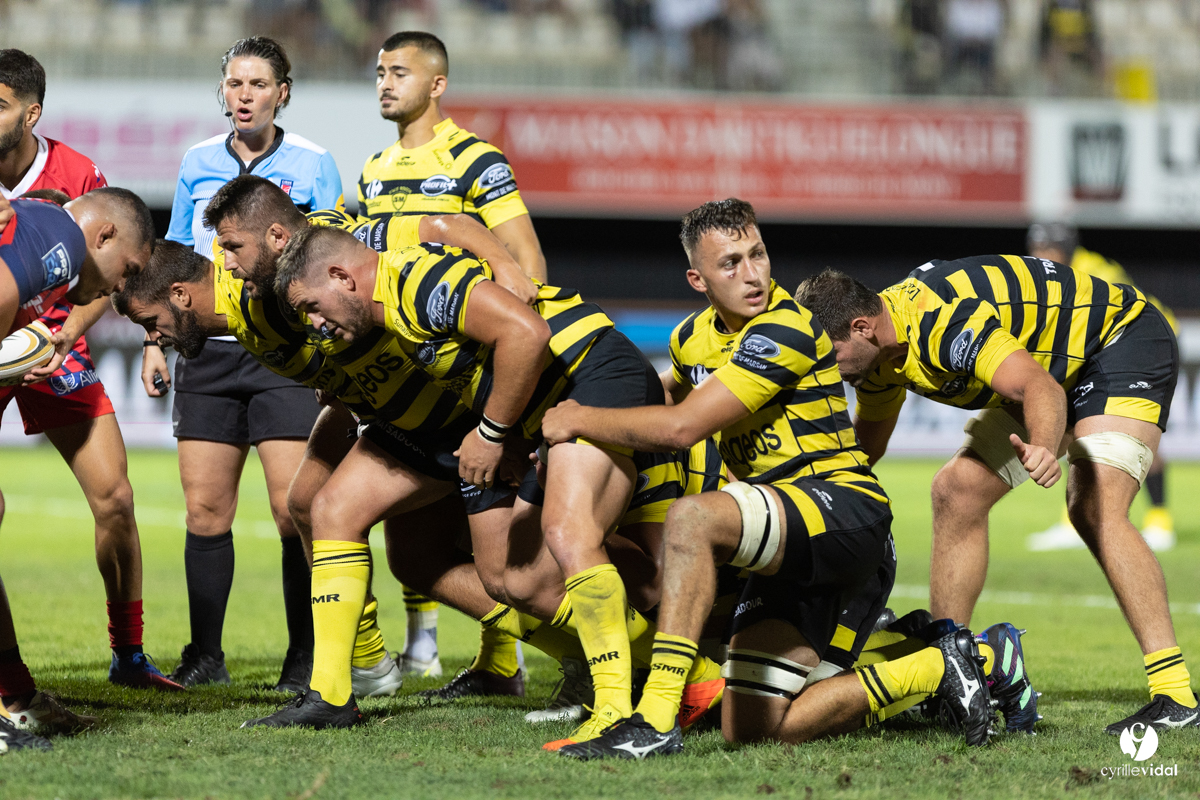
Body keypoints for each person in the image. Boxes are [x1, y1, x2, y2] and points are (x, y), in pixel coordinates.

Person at [538, 199, 994, 758]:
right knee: (752, 729)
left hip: (842, 510)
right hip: (783, 527)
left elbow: (682, 427)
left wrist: (577, 418)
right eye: (730, 263)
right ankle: (937, 663)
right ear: (697, 279)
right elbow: (661, 393)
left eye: (757, 254)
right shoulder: (690, 339)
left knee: (693, 519)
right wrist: (573, 444)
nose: (752, 273)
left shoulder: (789, 327)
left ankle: (653, 720)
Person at [272, 226, 725, 748]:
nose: (314, 323)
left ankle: (617, 709)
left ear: (341, 276)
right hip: (541, 411)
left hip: (594, 375)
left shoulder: (414, 283)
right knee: (518, 579)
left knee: (568, 533)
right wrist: (504, 429)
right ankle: (693, 675)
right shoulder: (390, 308)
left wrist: (491, 434)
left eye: (311, 306)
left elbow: (527, 333)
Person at [796, 256, 1196, 735]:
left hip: (1118, 341)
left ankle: (1175, 696)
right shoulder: (879, 358)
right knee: (956, 490)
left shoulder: (940, 323)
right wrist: (813, 499)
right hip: (1051, 364)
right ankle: (948, 668)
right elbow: (867, 447)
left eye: (830, 356)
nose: (826, 369)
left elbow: (1038, 388)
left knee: (1094, 507)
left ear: (862, 327)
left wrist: (1045, 448)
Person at [139, 36, 398, 693]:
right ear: (222, 93)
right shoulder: (198, 160)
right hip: (213, 353)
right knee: (204, 512)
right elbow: (176, 257)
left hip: (285, 358)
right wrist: (153, 342)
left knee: (293, 512)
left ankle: (305, 659)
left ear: (283, 92)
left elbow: (332, 250)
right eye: (234, 84)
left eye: (257, 84)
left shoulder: (312, 162)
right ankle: (204, 656)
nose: (244, 95)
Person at [357, 30, 547, 694]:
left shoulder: (475, 160)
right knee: (418, 551)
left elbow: (528, 262)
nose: (384, 81)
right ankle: (499, 663)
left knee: (484, 544)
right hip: (405, 379)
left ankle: (571, 652)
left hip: (471, 376)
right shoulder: (375, 170)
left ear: (437, 85)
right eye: (379, 71)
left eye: (399, 72)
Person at [0, 50, 181, 709]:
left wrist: (65, 336)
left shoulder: (78, 176)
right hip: (5, 339)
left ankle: (128, 654)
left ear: (31, 112)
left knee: (116, 499)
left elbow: (106, 276)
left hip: (52, 340)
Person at [0, 187, 158, 746]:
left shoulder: (46, 249)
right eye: (128, 271)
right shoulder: (63, 239)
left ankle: (13, 694)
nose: (120, 289)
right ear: (104, 237)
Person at [1025, 222, 1178, 552]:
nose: (1039, 255)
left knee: (1143, 437)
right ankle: (1073, 521)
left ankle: (1160, 522)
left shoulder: (1096, 271)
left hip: (1147, 348)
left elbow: (1129, 319)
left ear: (1065, 248)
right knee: (1079, 432)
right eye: (1035, 247)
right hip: (1106, 352)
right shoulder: (1050, 274)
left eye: (1046, 248)